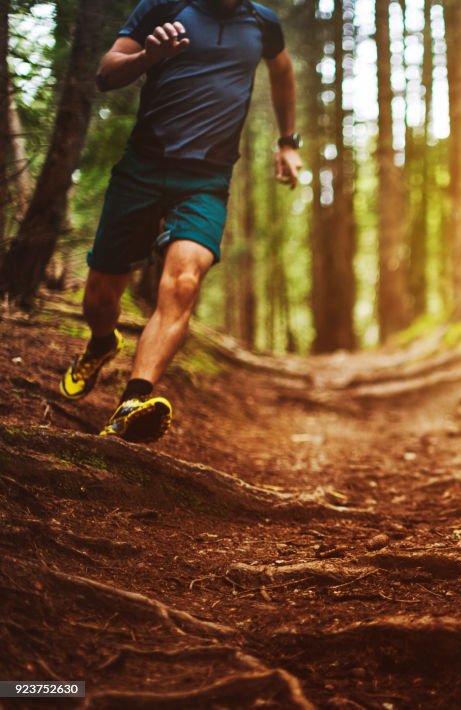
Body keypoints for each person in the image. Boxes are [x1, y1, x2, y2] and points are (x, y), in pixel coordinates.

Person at [59, 0, 302, 443]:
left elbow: (282, 70)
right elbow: (106, 73)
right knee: (99, 300)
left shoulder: (262, 22)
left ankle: (132, 402)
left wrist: (288, 142)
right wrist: (147, 58)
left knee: (184, 282)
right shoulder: (164, 6)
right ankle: (101, 343)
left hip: (207, 179)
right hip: (142, 169)